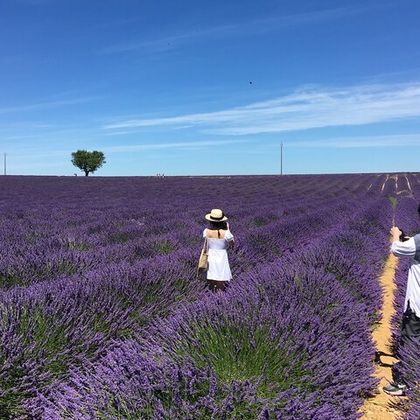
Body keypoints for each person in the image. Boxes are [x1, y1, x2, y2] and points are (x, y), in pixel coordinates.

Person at [383, 203, 420, 396]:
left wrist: (396, 236)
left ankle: (404, 383)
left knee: (409, 340)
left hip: (416, 305)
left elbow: (397, 250)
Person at [202, 208, 234, 292]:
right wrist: (228, 229)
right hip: (222, 256)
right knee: (221, 276)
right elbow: (232, 245)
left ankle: (212, 293)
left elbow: (206, 244)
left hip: (211, 255)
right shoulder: (227, 233)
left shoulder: (206, 231)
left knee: (211, 275)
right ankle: (220, 295)